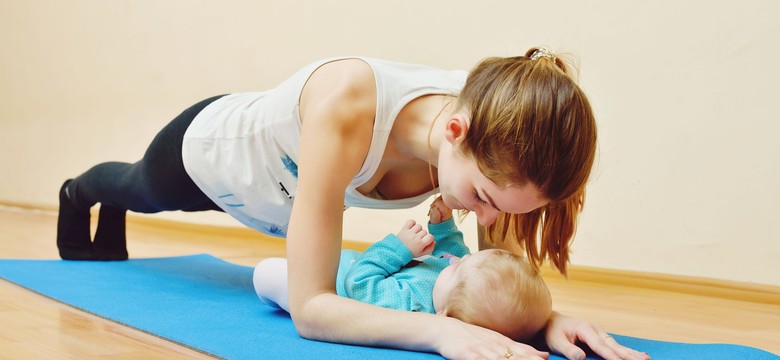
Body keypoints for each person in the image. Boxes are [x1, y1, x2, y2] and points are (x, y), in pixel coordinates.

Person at [56, 47, 650, 359]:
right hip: (213, 154)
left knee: (140, 195)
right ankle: (81, 192)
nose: (487, 222)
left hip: (280, 198)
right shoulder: (348, 107)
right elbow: (312, 308)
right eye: (483, 200)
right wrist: (438, 334)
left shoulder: (494, 134)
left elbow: (495, 274)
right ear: (454, 133)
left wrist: (543, 320)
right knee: (139, 189)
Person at [254, 197, 552, 342]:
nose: (457, 260)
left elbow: (359, 282)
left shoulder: (408, 304)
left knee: (265, 272)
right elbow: (454, 249)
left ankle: (279, 294)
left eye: (459, 269)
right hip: (342, 258)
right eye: (468, 260)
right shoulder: (457, 283)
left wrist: (400, 247)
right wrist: (442, 223)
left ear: (446, 317)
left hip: (335, 284)